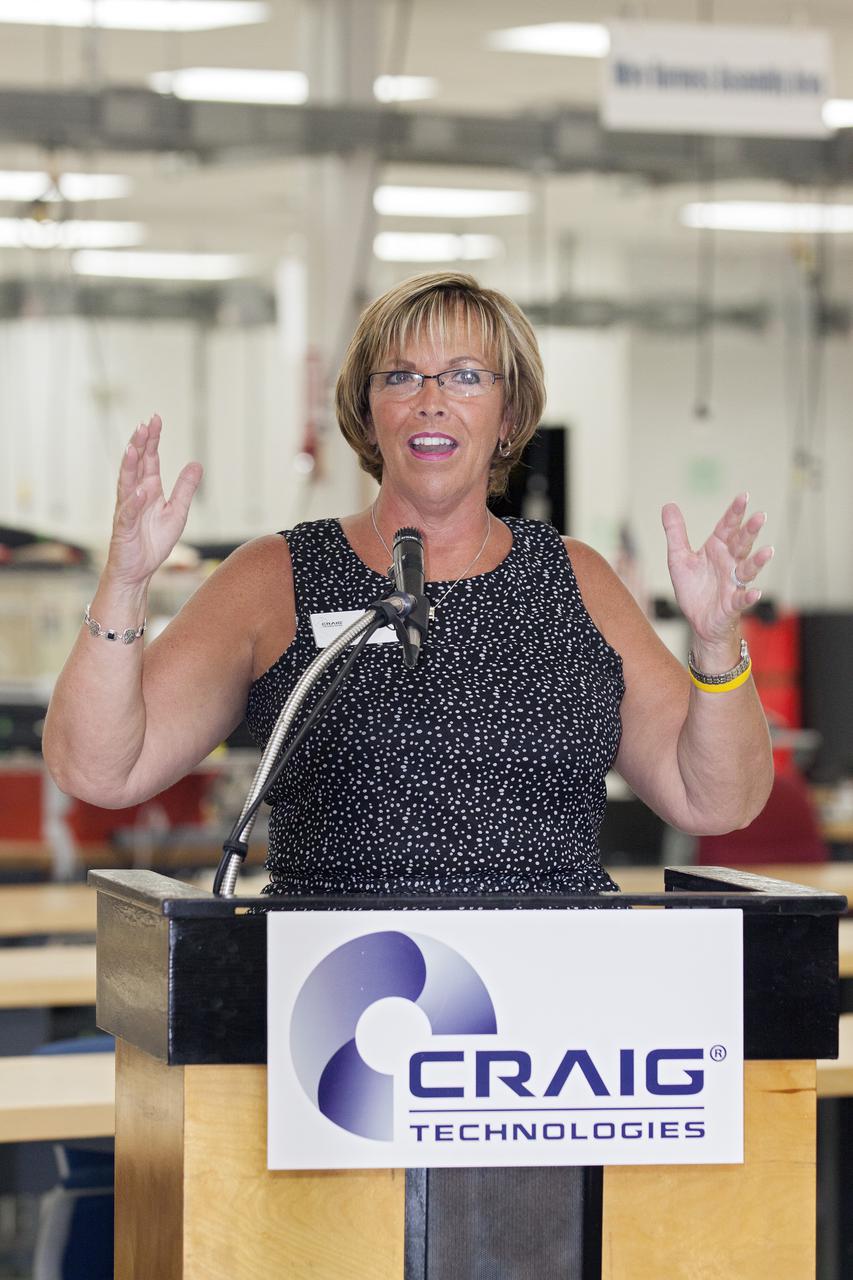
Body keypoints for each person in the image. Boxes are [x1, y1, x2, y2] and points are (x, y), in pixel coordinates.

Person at [43, 271, 774, 896]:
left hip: (557, 1010)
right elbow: (100, 771)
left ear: (508, 413)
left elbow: (717, 802)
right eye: (400, 376)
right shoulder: (276, 577)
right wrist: (125, 581)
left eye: (463, 375)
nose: (431, 399)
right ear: (368, 411)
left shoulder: (576, 579)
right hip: (339, 1012)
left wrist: (715, 643)